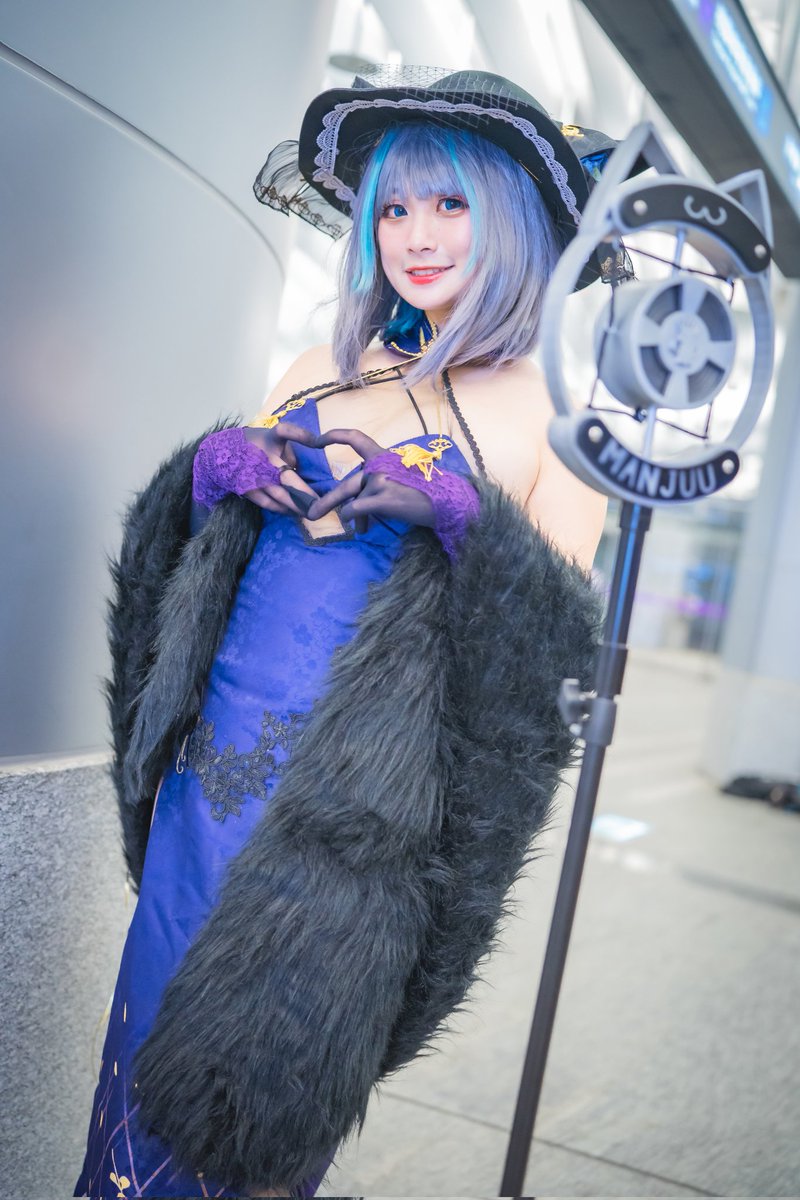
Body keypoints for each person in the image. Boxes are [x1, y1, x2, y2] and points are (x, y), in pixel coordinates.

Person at [74, 66, 626, 1199]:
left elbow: (549, 666)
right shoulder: (312, 374)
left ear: (515, 220)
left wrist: (461, 516)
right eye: (393, 207)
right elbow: (192, 574)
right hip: (205, 791)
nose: (415, 236)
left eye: (450, 204)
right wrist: (212, 475)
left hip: (348, 837)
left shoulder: (553, 417)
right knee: (136, 1097)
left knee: (250, 1124)